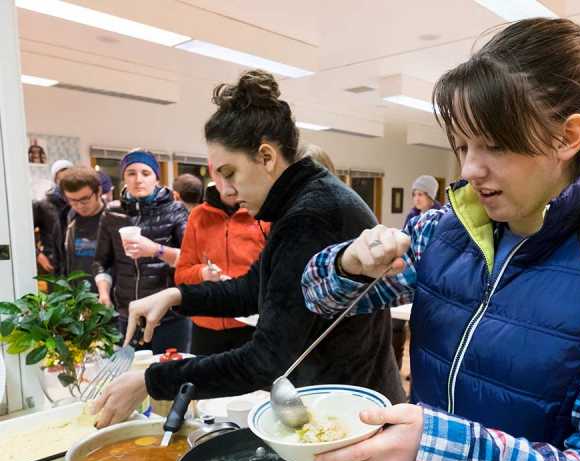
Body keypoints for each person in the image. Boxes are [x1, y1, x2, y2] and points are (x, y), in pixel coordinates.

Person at [301, 18, 580, 461]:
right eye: (462, 145)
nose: (467, 169)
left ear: (568, 137)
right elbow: (318, 298)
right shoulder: (446, 231)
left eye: (494, 145)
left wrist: (435, 451)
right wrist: (348, 263)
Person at [92, 69, 404, 428]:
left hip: (349, 411)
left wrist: (152, 382)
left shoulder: (311, 215)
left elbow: (265, 360)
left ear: (267, 157)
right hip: (337, 396)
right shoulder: (301, 202)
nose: (224, 188)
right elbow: (254, 288)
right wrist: (178, 296)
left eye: (230, 173)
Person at [92, 148, 189, 354]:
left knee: (169, 375)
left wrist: (155, 250)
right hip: (127, 314)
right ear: (124, 177)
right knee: (130, 377)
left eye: (145, 173)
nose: (138, 179)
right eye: (131, 173)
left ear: (156, 178)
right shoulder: (112, 213)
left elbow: (190, 259)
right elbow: (101, 261)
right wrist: (103, 293)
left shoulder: (175, 210)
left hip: (169, 315)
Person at [175, 168, 269, 356]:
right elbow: (181, 275)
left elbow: (273, 272)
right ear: (214, 176)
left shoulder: (261, 215)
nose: (230, 183)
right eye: (223, 175)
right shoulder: (198, 216)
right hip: (206, 327)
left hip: (252, 326)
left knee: (252, 385)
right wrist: (202, 273)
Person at [59, 167, 105, 291]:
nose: (79, 206)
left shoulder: (113, 218)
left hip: (108, 298)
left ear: (98, 191)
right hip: (79, 295)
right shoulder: (68, 217)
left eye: (85, 200)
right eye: (72, 200)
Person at [32, 159, 74, 274]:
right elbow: (24, 234)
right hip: (53, 263)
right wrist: (38, 255)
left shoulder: (78, 201)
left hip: (77, 261)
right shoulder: (42, 204)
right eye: (61, 178)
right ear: (55, 180)